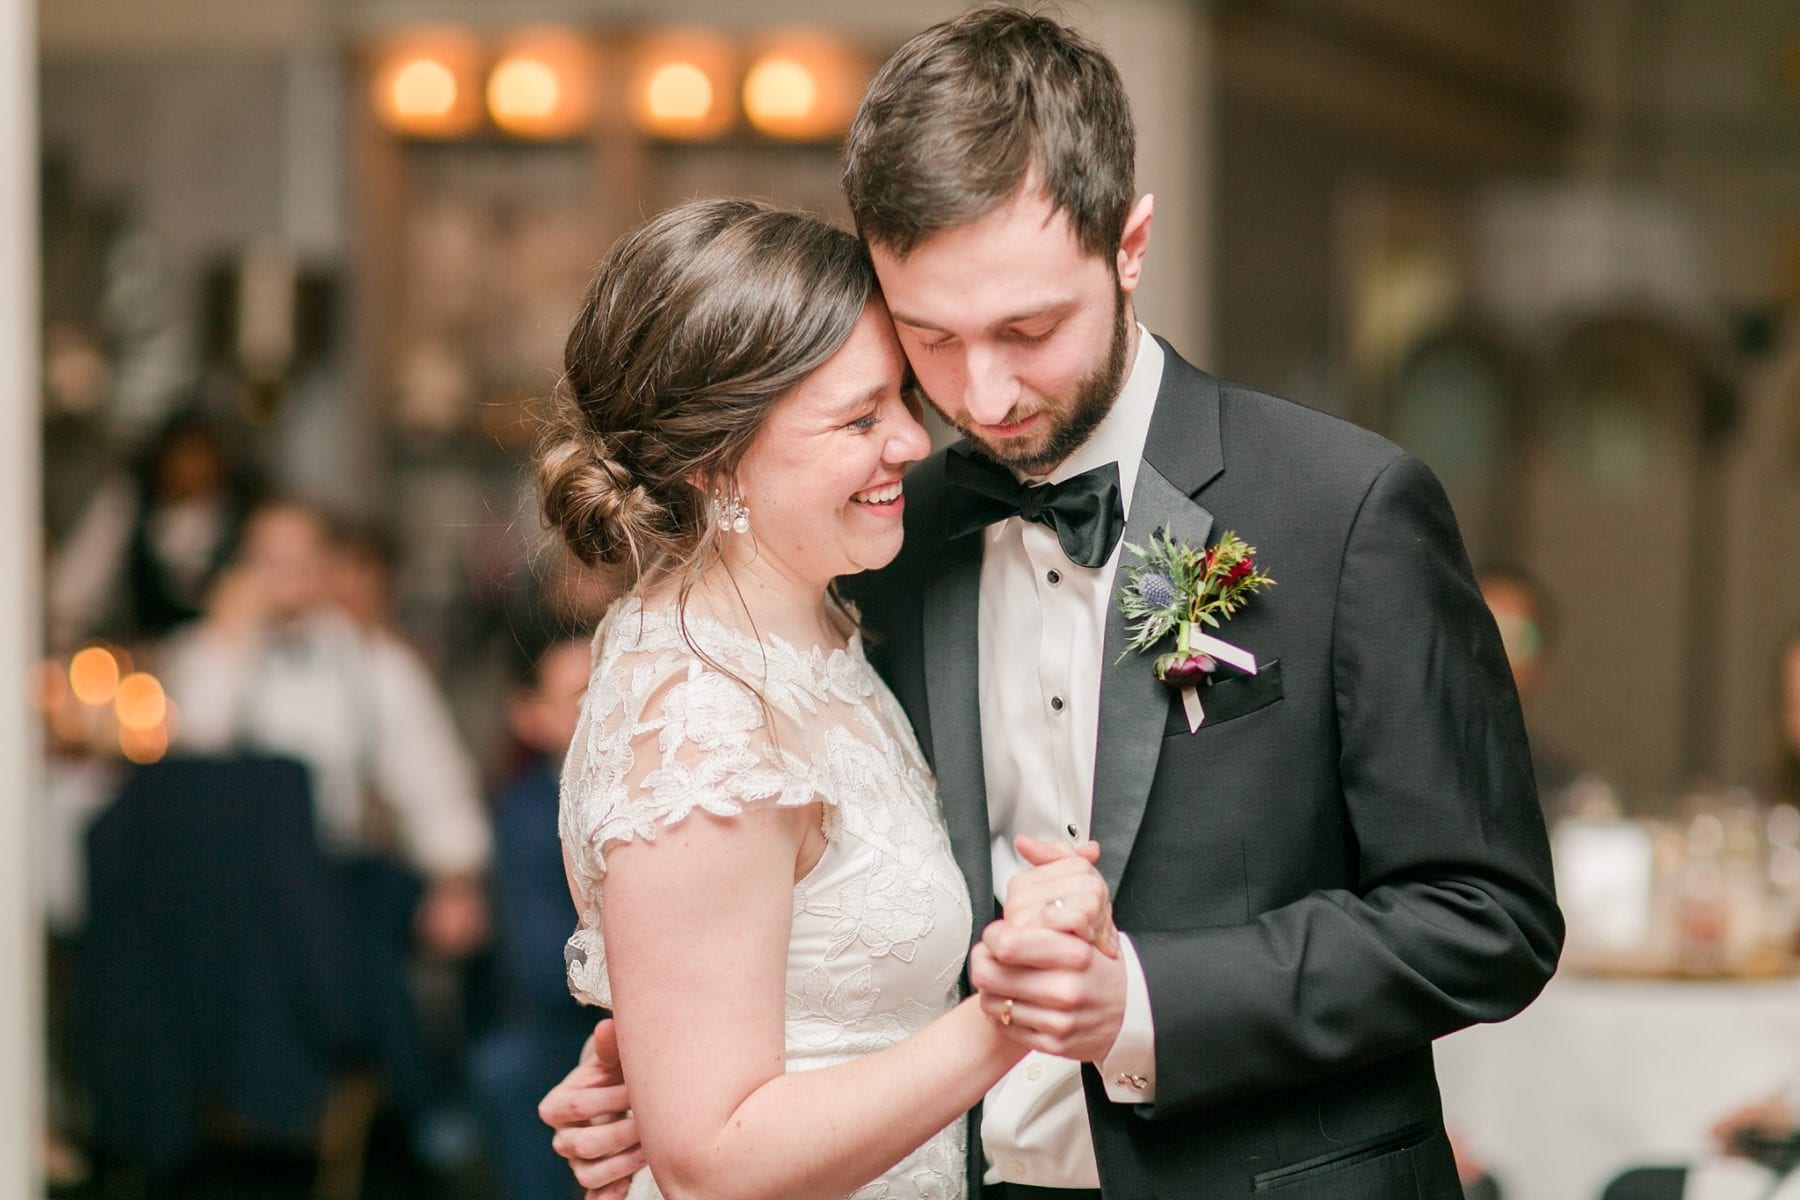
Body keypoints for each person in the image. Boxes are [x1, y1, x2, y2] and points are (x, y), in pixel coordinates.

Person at [545, 8, 1563, 1199]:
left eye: (1029, 330)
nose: (981, 394)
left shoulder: (1343, 509)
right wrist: (673, 1079)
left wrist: (1148, 999)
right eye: (929, 337)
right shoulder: (882, 540)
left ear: (1128, 246)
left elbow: (1487, 918)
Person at [535, 196, 1116, 1200]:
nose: (911, 441)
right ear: (718, 461)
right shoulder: (702, 714)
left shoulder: (809, 626)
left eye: (898, 397)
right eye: (859, 416)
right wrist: (1012, 1015)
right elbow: (713, 1159)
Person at [159, 500, 493, 1156]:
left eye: (300, 561)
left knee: (366, 919)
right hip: (230, 887)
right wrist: (233, 644)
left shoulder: (367, 661)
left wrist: (456, 876)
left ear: (323, 569)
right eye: (268, 561)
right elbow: (186, 768)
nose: (285, 576)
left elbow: (430, 770)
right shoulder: (200, 656)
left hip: (338, 869)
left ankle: (420, 1106)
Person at [469, 636, 604, 1200]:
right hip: (565, 1013)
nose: (600, 707)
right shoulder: (523, 813)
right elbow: (534, 963)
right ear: (531, 718)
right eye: (578, 697)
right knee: (509, 1069)